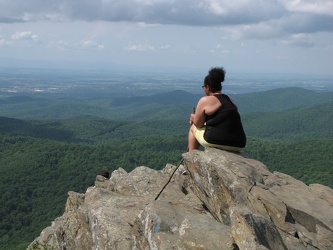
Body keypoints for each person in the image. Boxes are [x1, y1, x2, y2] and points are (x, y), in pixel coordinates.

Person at [188, 67, 246, 151]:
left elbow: (198, 124)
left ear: (207, 87)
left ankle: (191, 156)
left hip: (215, 140)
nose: (204, 89)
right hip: (239, 144)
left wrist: (193, 117)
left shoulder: (205, 100)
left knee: (193, 128)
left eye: (203, 86)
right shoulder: (230, 100)